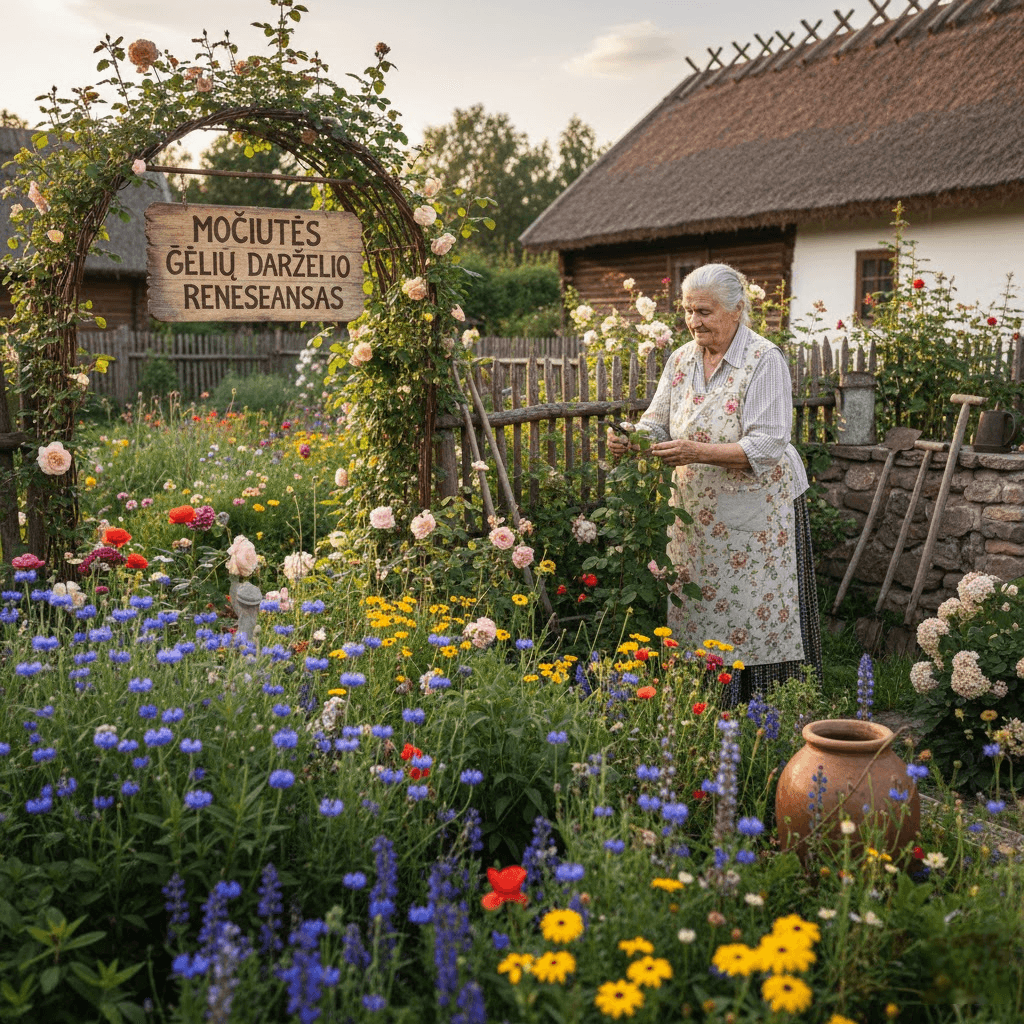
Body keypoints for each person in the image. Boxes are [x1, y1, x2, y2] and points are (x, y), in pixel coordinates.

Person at [608, 263, 822, 699]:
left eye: (704, 311)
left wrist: (696, 452)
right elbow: (658, 423)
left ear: (737, 310)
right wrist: (630, 440)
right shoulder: (682, 359)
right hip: (696, 507)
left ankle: (768, 703)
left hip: (760, 508)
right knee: (698, 596)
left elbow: (766, 445)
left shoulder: (764, 359)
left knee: (755, 605)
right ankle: (705, 698)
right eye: (688, 311)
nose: (693, 321)